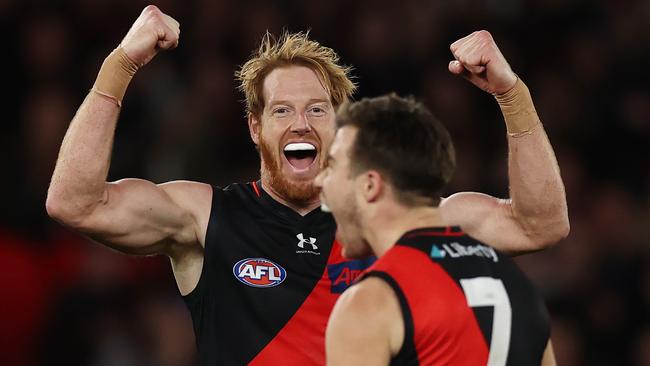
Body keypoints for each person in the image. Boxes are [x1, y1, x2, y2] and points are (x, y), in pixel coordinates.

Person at [45, 5, 568, 365]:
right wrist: (121, 63)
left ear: (340, 126)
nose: (300, 123)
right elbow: (74, 201)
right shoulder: (206, 217)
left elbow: (538, 224)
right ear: (256, 127)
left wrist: (511, 94)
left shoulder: (398, 218)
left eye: (317, 109)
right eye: (282, 111)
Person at [316, 94, 557, 366]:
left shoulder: (373, 302)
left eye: (333, 165)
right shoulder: (518, 286)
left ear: (370, 186)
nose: (320, 180)